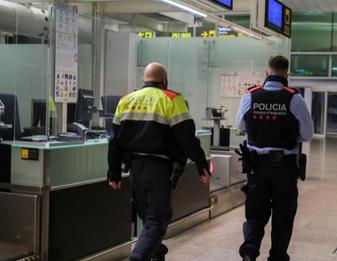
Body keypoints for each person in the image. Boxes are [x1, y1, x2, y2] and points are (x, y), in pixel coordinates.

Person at [107, 62, 211, 261]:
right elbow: (187, 138)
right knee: (157, 219)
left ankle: (157, 254)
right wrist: (201, 164)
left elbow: (114, 141)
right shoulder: (172, 99)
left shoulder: (126, 100)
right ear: (164, 81)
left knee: (147, 217)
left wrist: (114, 172)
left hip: (135, 168)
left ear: (145, 79)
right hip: (159, 169)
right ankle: (138, 257)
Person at [236, 55, 314, 261]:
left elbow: (240, 127)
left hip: (256, 166)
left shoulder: (250, 96)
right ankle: (277, 256)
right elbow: (307, 134)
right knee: (283, 215)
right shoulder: (294, 98)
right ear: (286, 74)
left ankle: (249, 254)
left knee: (255, 213)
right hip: (285, 168)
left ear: (266, 72)